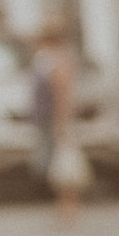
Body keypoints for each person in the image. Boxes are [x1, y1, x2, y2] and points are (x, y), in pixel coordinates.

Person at [29, 18, 90, 224]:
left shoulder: (58, 61)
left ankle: (68, 208)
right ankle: (63, 208)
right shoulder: (45, 59)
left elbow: (63, 94)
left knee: (63, 166)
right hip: (45, 119)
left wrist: (62, 123)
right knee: (53, 165)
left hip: (54, 120)